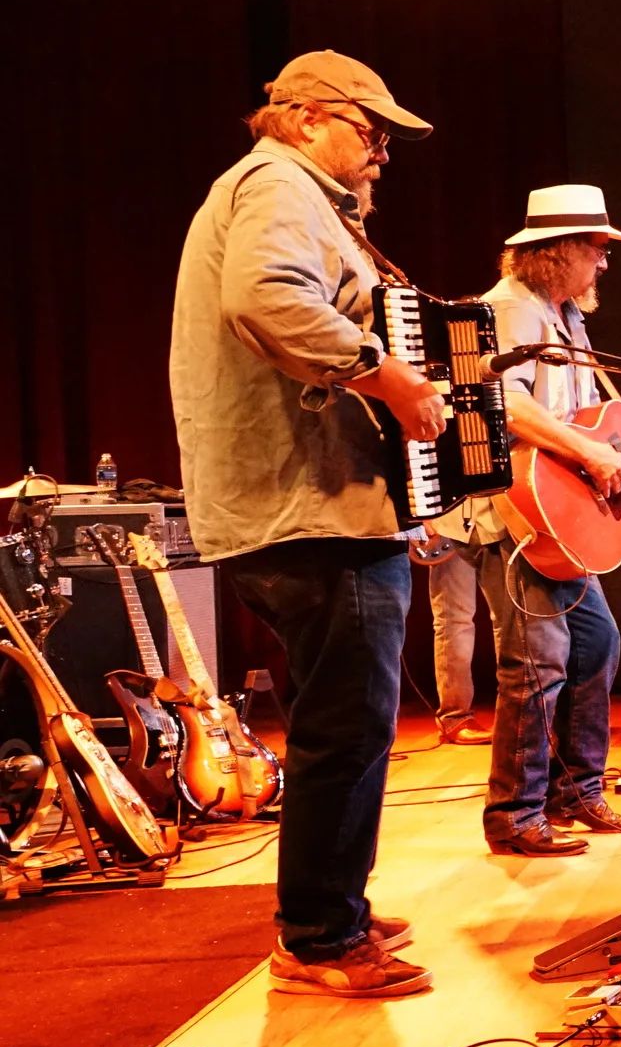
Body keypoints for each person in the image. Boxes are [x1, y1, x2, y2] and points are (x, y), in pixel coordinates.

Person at [171, 50, 445, 996]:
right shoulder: (278, 184)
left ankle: (334, 904)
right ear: (303, 119)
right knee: (345, 725)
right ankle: (319, 937)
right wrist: (388, 374)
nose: (380, 153)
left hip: (322, 507)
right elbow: (265, 297)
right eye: (369, 132)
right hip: (306, 513)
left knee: (349, 721)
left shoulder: (296, 194)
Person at [456, 185, 621, 858]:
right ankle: (514, 815)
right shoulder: (509, 309)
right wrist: (586, 452)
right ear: (557, 250)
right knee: (537, 664)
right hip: (515, 517)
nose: (604, 263)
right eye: (596, 250)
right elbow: (493, 399)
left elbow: (599, 428)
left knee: (595, 647)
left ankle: (573, 793)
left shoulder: (567, 319)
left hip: (558, 523)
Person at [421, 539, 491, 744]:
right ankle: (455, 717)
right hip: (450, 528)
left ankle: (520, 717)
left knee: (507, 619)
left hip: (495, 519)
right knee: (454, 618)